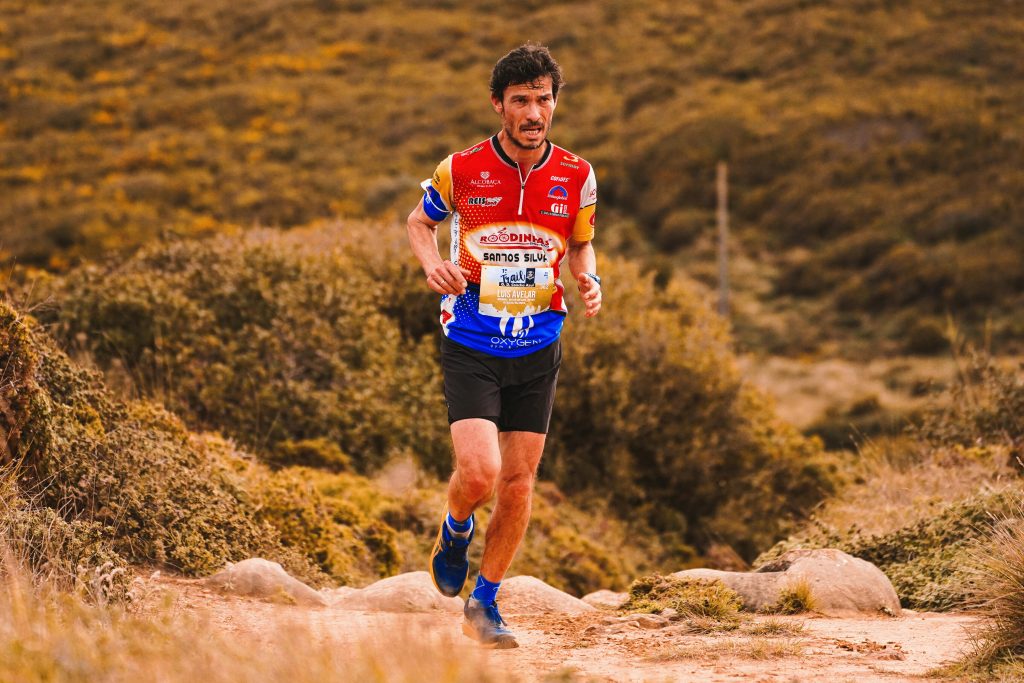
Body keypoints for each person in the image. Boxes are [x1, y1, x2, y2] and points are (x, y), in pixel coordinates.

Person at [406, 43, 602, 649]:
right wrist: (432, 265)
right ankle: (455, 527)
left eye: (543, 99)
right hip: (472, 340)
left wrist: (589, 278)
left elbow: (580, 244)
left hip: (539, 344)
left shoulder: (577, 174)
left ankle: (485, 601)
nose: (533, 113)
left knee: (518, 482)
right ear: (499, 105)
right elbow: (419, 222)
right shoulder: (461, 169)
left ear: (555, 103)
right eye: (521, 100)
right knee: (480, 473)